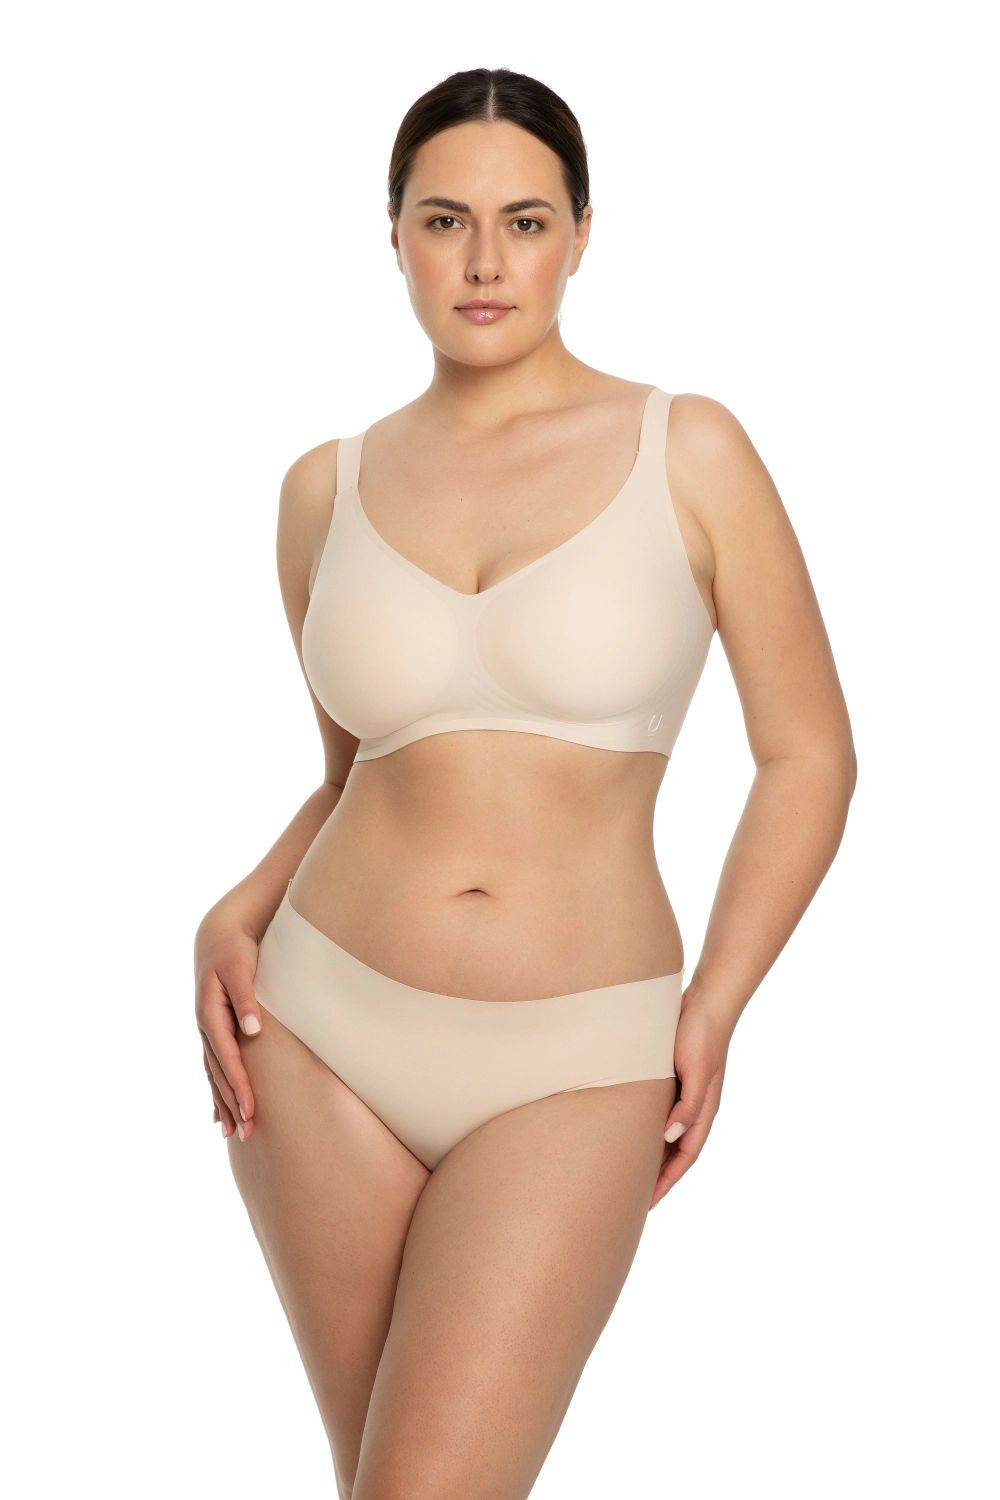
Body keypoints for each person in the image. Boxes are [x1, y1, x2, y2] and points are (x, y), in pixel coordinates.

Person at [193, 66, 857, 1500]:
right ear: (393, 236)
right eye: (445, 221)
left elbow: (809, 754)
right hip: (317, 1033)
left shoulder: (689, 449)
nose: (485, 262)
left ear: (582, 235)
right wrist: (231, 911)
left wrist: (718, 1001)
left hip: (578, 1056)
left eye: (526, 222)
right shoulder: (322, 489)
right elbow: (353, 775)